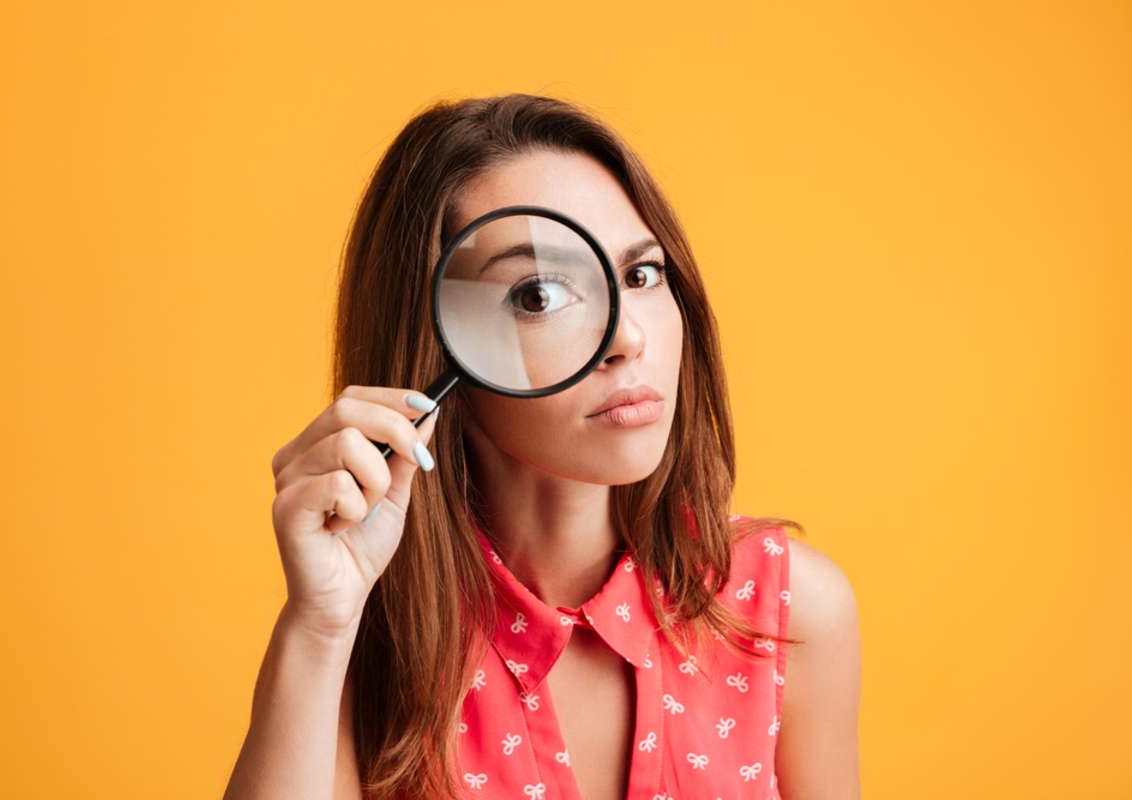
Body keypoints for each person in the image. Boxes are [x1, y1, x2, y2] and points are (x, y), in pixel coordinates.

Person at [223, 93, 861, 800]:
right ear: (435, 341)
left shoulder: (788, 610)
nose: (628, 339)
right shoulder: (361, 644)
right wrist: (317, 628)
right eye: (539, 295)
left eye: (642, 275)